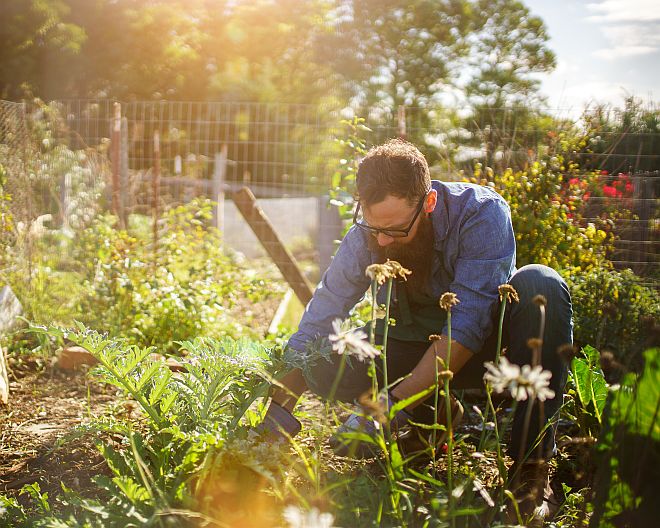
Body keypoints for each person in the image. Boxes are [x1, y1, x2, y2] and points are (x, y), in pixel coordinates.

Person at [256, 139, 572, 521]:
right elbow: (324, 310)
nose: (382, 240)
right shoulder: (369, 232)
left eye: (395, 229)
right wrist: (278, 410)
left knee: (542, 285)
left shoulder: (481, 214)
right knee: (322, 361)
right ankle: (434, 416)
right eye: (374, 228)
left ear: (429, 203)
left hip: (487, 355)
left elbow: (468, 325)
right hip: (411, 346)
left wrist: (388, 407)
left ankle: (530, 473)